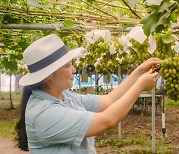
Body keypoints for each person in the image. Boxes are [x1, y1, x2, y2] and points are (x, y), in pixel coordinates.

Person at [16, 34, 160, 154]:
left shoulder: (65, 96)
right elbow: (107, 120)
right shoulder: (44, 113)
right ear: (48, 75)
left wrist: (138, 72)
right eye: (67, 66)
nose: (74, 70)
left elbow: (108, 100)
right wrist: (140, 85)